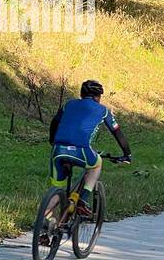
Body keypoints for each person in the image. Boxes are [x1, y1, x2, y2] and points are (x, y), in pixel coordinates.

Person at [48, 80, 131, 215]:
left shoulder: (68, 105)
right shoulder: (103, 110)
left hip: (58, 150)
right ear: (97, 97)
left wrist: (52, 140)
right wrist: (127, 154)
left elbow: (54, 122)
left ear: (81, 94)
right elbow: (117, 132)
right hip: (81, 150)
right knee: (97, 164)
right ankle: (82, 200)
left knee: (57, 189)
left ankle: (46, 223)